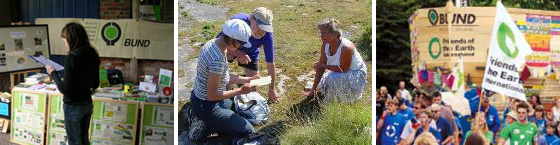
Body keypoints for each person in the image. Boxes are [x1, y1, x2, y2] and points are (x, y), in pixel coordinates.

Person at [190, 19, 260, 139]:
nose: (241, 47)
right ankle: (203, 125)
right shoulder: (217, 59)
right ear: (232, 40)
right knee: (248, 130)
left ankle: (201, 117)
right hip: (207, 104)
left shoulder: (213, 43)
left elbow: (224, 76)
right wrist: (241, 91)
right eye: (241, 44)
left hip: (201, 98)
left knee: (234, 106)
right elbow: (212, 95)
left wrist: (248, 79)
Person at [46, 22, 100, 145]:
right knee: (84, 139)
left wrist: (53, 73)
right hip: (87, 104)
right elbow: (95, 84)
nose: (64, 43)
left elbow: (65, 90)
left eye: (64, 40)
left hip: (73, 107)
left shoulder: (72, 57)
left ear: (70, 38)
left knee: (75, 142)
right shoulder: (93, 54)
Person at [303, 18, 368, 103]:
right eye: (320, 33)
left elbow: (343, 69)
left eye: (324, 33)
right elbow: (321, 67)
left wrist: (323, 66)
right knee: (330, 78)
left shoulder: (345, 48)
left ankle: (334, 102)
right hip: (341, 70)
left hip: (355, 73)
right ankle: (319, 89)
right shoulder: (325, 44)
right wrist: (313, 90)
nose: (321, 36)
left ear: (335, 33)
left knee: (332, 78)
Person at [227, 7, 279, 102]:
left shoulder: (267, 35)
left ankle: (241, 80)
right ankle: (228, 85)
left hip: (251, 54)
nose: (262, 31)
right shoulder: (237, 21)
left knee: (253, 89)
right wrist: (238, 53)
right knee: (224, 84)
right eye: (260, 26)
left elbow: (270, 64)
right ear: (251, 18)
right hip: (231, 48)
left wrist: (272, 89)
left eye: (265, 28)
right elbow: (220, 42)